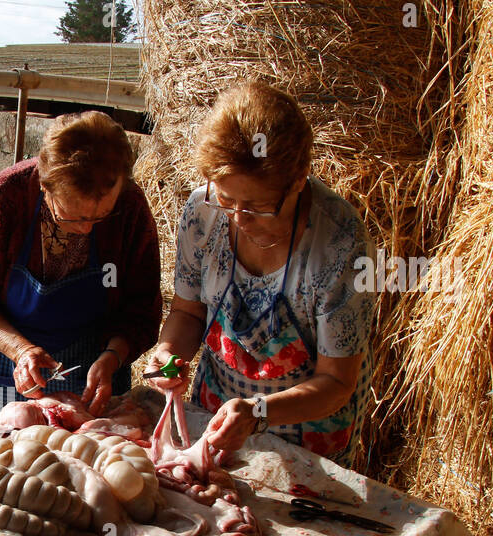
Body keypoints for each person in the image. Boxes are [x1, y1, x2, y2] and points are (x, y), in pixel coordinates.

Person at [147, 82, 376, 468]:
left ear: (298, 180)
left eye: (258, 206)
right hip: (217, 415)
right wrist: (169, 353)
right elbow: (188, 313)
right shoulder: (202, 214)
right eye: (226, 199)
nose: (239, 218)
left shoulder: (339, 243)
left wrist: (258, 414)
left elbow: (337, 382)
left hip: (308, 435)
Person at [0, 110, 162, 428]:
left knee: (84, 467)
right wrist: (21, 351)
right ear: (45, 186)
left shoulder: (130, 209)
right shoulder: (7, 197)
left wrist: (113, 357)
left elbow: (141, 308)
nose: (87, 229)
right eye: (72, 217)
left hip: (94, 368)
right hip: (9, 362)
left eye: (101, 216)